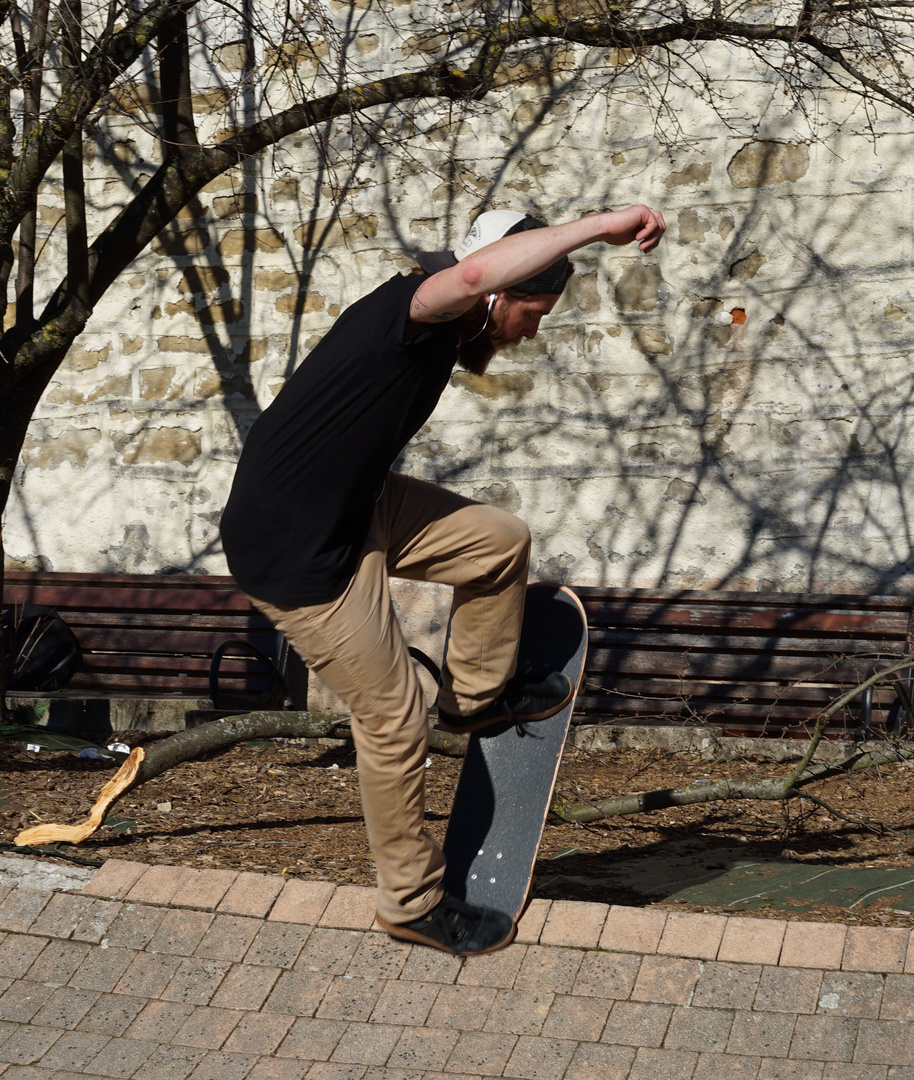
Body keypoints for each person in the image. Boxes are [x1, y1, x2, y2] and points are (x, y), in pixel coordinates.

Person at [220, 205, 666, 955]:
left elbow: (481, 277)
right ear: (498, 291)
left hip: (356, 508)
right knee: (392, 720)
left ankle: (476, 699)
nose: (534, 331)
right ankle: (411, 904)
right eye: (534, 309)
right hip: (298, 553)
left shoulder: (452, 332)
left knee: (497, 542)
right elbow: (466, 273)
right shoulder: (414, 310)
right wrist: (600, 226)